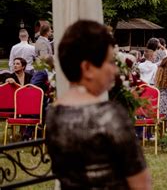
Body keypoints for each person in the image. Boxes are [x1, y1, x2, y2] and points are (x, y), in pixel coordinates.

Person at [45, 20, 152, 189]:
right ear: (87, 68)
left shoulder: (53, 113)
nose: (115, 70)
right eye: (109, 62)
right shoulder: (110, 115)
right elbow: (141, 184)